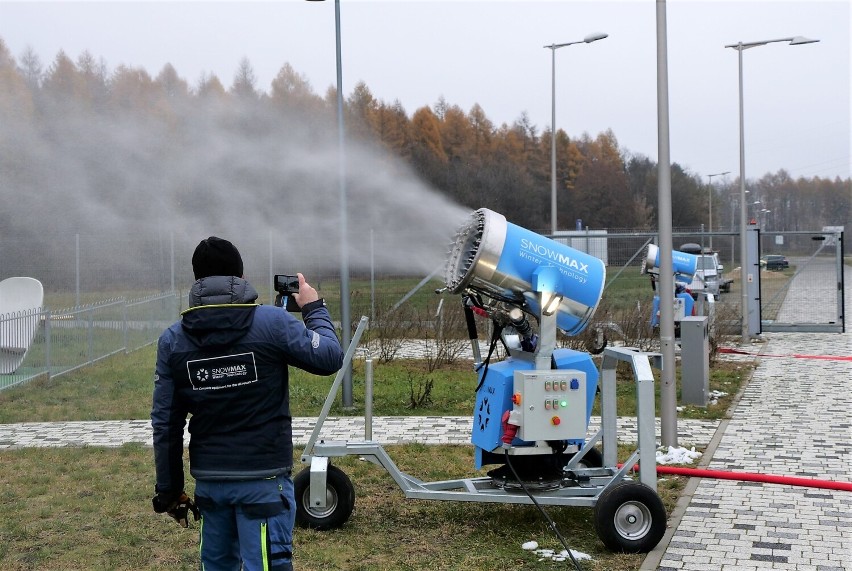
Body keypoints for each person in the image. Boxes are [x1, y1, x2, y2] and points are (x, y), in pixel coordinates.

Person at [151, 236, 344, 571]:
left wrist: (169, 492)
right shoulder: (272, 323)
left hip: (211, 485)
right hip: (265, 485)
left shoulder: (173, 339)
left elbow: (165, 424)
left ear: (197, 279)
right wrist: (313, 307)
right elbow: (329, 356)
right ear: (240, 277)